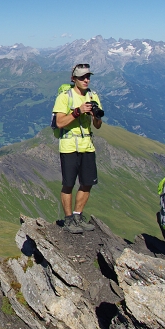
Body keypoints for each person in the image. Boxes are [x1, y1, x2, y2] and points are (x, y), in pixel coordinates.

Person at [53, 64, 103, 234]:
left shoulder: (93, 96)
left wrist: (95, 116)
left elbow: (97, 126)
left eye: (88, 76)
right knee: (68, 184)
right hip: (68, 146)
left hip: (87, 145)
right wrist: (77, 112)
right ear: (73, 79)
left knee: (87, 182)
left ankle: (77, 216)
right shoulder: (64, 97)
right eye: (82, 77)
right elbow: (59, 122)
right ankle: (68, 220)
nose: (86, 80)